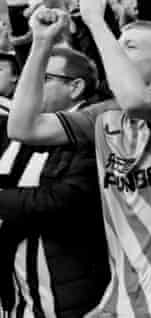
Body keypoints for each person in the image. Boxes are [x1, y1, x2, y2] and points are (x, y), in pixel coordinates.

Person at [7, 2, 151, 317]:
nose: (115, 53)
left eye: (129, 46)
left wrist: (96, 23)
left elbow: (137, 101)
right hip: (122, 296)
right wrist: (41, 44)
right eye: (115, 44)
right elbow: (23, 127)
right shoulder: (105, 116)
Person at [0, 46, 109, 318]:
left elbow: (65, 200)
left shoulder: (92, 128)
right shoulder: (15, 126)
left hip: (67, 282)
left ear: (75, 87)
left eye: (44, 78)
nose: (29, 86)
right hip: (23, 286)